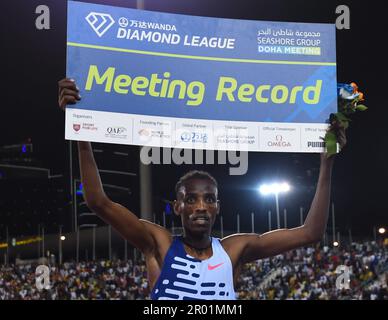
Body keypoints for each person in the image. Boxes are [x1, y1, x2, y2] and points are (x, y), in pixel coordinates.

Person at [58, 78, 346, 300]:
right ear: (177, 205)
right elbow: (98, 202)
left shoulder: (234, 249)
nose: (200, 207)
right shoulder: (158, 243)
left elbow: (311, 233)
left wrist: (327, 164)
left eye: (209, 199)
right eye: (191, 199)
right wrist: (81, 129)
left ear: (218, 206)